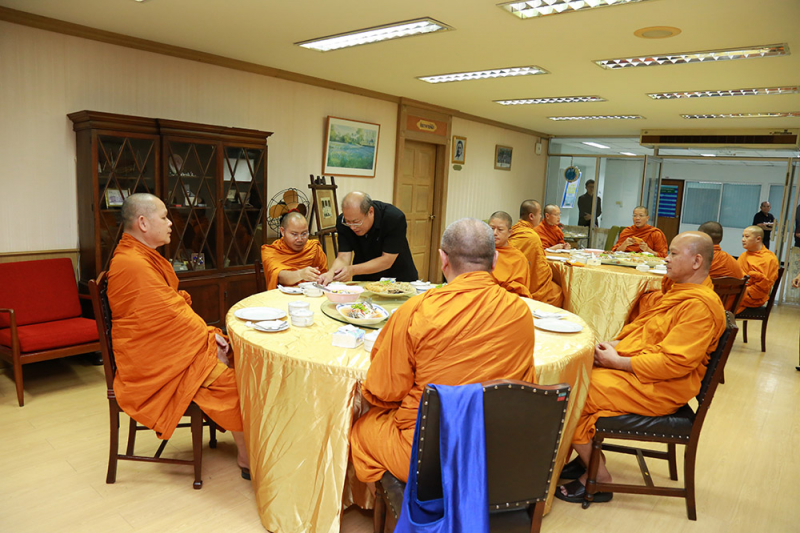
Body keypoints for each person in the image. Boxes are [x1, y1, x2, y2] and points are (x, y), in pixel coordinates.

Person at [349, 218, 536, 483]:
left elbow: (384, 389)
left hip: (429, 451)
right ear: (495, 260)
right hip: (495, 444)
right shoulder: (520, 311)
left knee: (363, 427)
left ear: (442, 259)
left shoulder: (417, 310)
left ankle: (414, 505)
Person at [555, 231, 726, 504]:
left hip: (661, 386)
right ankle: (588, 457)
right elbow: (646, 332)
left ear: (696, 261)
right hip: (642, 372)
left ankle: (599, 477)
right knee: (575, 373)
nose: (666, 259)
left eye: (672, 253)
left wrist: (618, 361)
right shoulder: (680, 292)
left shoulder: (699, 307)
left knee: (571, 392)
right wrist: (615, 345)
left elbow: (674, 363)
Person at [107, 193, 249, 478]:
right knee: (234, 383)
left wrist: (208, 339)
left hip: (166, 346)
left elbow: (170, 312)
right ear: (143, 223)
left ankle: (251, 445)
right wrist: (208, 341)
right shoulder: (132, 264)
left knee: (233, 357)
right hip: (151, 363)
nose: (171, 223)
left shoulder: (140, 256)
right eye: (164, 217)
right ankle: (248, 458)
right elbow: (168, 318)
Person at [319, 192, 418, 284]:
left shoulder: (393, 218)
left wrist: (352, 270)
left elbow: (387, 260)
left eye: (356, 222)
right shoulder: (343, 222)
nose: (352, 227)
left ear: (371, 212)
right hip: (364, 279)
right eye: (348, 222)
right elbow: (343, 257)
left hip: (398, 279)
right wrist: (331, 273)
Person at [508, 200, 564, 307]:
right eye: (539, 214)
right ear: (531, 216)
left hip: (510, 278)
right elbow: (540, 269)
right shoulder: (532, 236)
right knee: (557, 293)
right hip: (525, 284)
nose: (541, 217)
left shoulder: (514, 230)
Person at [260, 211, 327, 290]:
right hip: (282, 297)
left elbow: (323, 275)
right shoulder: (271, 251)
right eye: (294, 234)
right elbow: (279, 276)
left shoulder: (313, 248)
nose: (300, 239)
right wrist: (300, 274)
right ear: (282, 231)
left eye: (304, 233)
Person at [488, 211, 531, 298]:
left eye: (500, 229)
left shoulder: (518, 258)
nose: (495, 233)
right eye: (491, 228)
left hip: (504, 301)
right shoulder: (478, 250)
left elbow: (520, 291)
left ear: (509, 233)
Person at [736, 226, 779, 313]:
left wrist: (743, 292)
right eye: (742, 236)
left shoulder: (768, 258)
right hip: (740, 292)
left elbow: (763, 286)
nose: (743, 240)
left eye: (747, 237)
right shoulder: (743, 256)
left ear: (758, 239)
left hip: (754, 298)